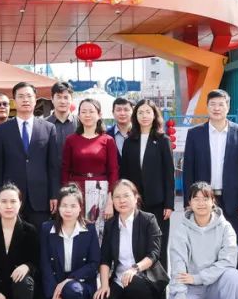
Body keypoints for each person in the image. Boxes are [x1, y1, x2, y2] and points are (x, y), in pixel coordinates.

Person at [167, 182, 238, 299]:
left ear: (213, 201)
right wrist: (180, 295)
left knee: (235, 278)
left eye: (205, 199)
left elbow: (227, 262)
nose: (201, 203)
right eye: (196, 199)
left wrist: (199, 277)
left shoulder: (225, 227)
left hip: (216, 283)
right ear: (189, 203)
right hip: (191, 286)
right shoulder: (182, 229)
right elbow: (178, 263)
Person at [92, 180, 169, 299]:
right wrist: (104, 285)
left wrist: (135, 269)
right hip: (120, 279)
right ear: (112, 200)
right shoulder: (111, 225)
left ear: (136, 197)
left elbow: (154, 254)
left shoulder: (148, 220)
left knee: (132, 280)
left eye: (126, 196)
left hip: (145, 277)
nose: (121, 200)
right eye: (117, 197)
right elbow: (105, 258)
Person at [181, 89, 238, 257]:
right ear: (207, 107)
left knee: (233, 242)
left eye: (221, 104)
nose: (217, 108)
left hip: (233, 199)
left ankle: (235, 274)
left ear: (228, 107)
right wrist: (188, 200)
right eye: (212, 104)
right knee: (203, 244)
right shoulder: (195, 134)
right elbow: (188, 169)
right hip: (203, 199)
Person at [0, 82, 61, 233]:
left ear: (35, 100)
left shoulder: (48, 128)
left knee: (40, 240)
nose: (25, 100)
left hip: (41, 198)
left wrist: (54, 194)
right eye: (21, 96)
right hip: (11, 198)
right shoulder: (2, 130)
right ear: (14, 101)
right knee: (12, 240)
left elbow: (53, 166)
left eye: (29, 96)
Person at [119, 99, 175, 264]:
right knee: (137, 243)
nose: (144, 116)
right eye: (140, 112)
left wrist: (169, 204)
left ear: (154, 115)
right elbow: (125, 174)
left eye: (148, 112)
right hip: (135, 202)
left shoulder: (163, 140)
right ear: (135, 116)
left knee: (158, 244)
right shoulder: (129, 141)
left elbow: (169, 174)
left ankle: (160, 279)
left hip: (158, 202)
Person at [39, 185, 100, 299]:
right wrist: (56, 294)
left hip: (80, 284)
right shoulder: (47, 229)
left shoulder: (89, 229)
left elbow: (94, 264)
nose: (68, 210)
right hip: (54, 285)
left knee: (72, 290)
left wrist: (69, 280)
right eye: (64, 205)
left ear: (80, 208)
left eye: (73, 206)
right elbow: (45, 264)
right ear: (58, 207)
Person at [62, 98, 119, 242]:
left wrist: (110, 199)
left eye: (91, 111)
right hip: (76, 190)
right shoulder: (71, 140)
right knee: (77, 229)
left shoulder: (107, 140)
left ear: (99, 115)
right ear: (79, 115)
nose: (87, 115)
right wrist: (65, 195)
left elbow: (113, 171)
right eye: (83, 112)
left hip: (100, 190)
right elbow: (65, 170)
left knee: (98, 233)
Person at [46, 81, 77, 151]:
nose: (62, 101)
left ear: (72, 99)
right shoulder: (43, 125)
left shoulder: (81, 123)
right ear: (52, 99)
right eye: (59, 97)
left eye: (66, 97)